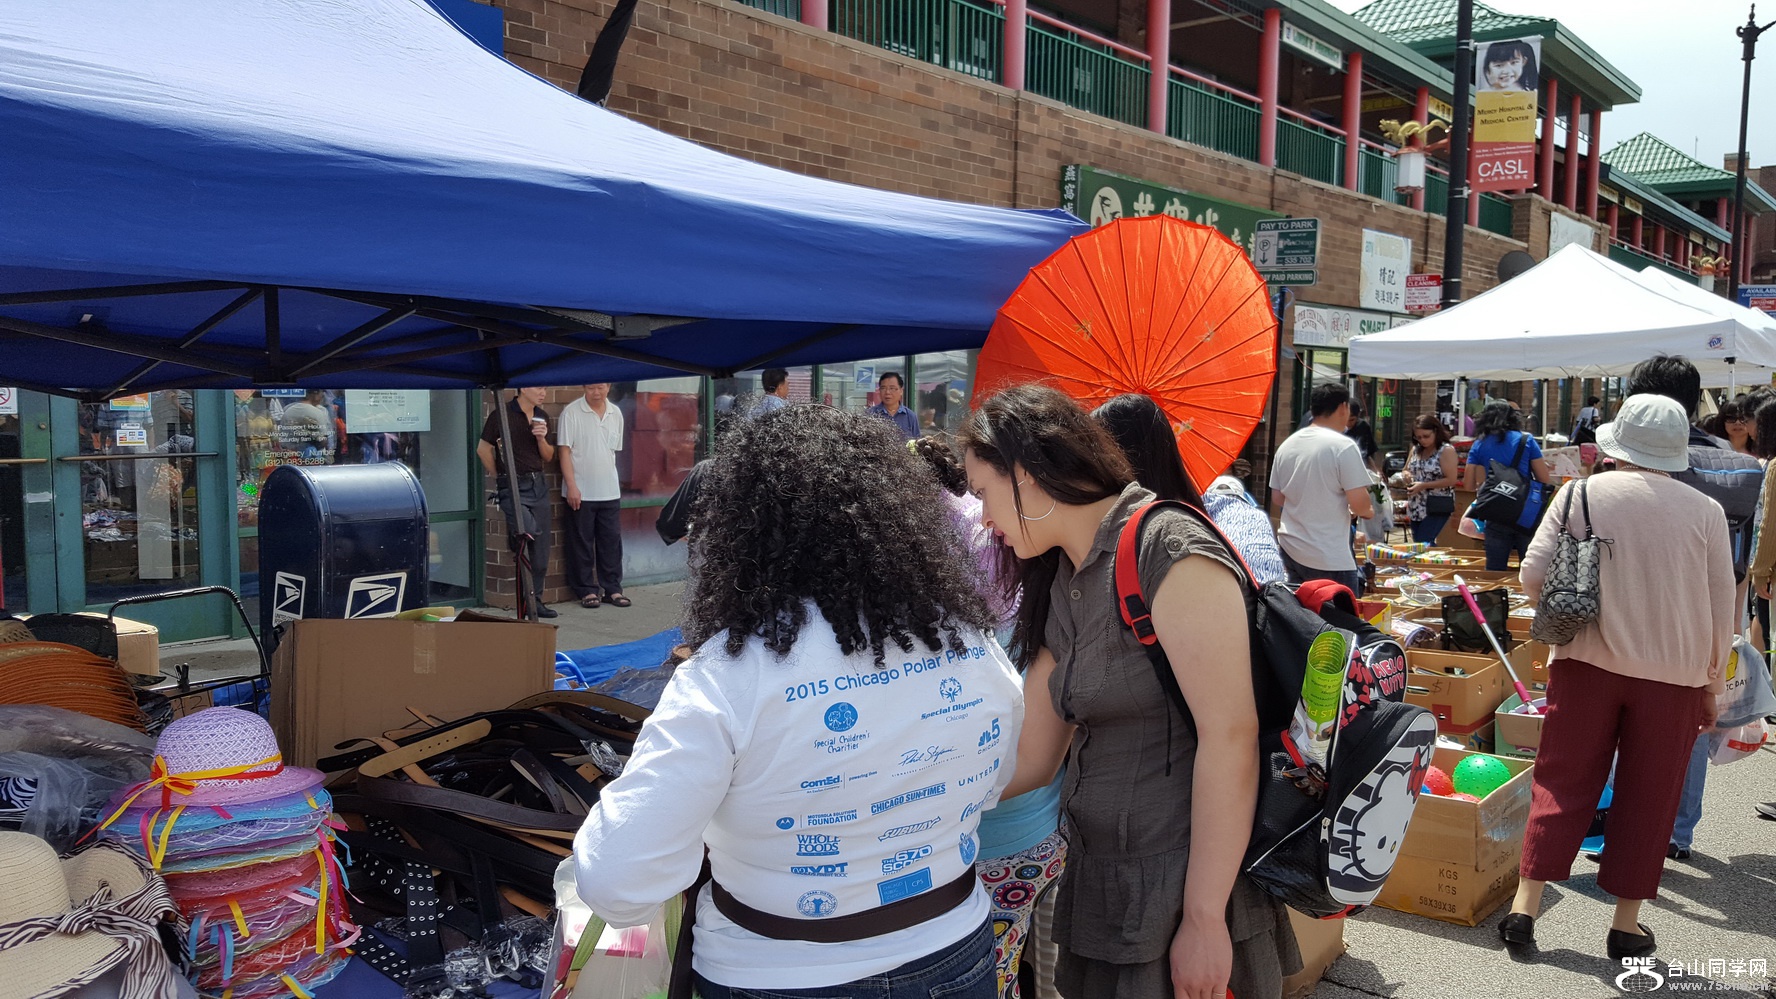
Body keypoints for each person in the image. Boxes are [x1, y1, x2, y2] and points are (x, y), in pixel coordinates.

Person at [573, 405, 1022, 999]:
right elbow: (990, 784)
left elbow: (616, 880)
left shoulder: (725, 676)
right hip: (956, 953)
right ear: (901, 515)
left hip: (772, 971)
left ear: (741, 530)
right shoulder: (971, 642)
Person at [959, 384, 1299, 999]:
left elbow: (1231, 737)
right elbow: (1032, 757)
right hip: (1101, 883)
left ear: (1026, 474)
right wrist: (909, 804)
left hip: (1186, 886)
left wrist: (1203, 920)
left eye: (982, 492)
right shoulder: (1065, 573)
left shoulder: (1166, 546)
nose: (982, 518)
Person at [1500, 394, 1732, 963]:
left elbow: (1533, 575)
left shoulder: (1580, 494)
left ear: (1618, 444)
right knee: (1650, 794)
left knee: (1562, 777)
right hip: (1674, 675)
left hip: (1585, 660)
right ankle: (1625, 926)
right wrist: (1712, 686)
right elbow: (1720, 606)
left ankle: (1524, 909)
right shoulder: (1706, 511)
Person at [909, 434, 1062, 999]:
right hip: (1001, 842)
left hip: (998, 846)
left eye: (983, 494)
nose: (984, 517)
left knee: (992, 978)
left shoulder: (1029, 616)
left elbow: (1037, 761)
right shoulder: (1031, 601)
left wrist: (920, 799)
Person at [1269, 382, 1374, 594]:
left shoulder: (1288, 444)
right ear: (1343, 407)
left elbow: (1278, 498)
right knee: (1340, 615)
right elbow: (1360, 505)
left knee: (1300, 613)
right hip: (1329, 554)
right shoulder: (1343, 446)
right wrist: (1368, 511)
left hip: (1291, 547)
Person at [476, 386, 558, 618]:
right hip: (512, 485)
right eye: (538, 388)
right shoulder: (501, 414)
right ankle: (517, 538)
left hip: (538, 484)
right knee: (528, 531)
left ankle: (535, 600)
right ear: (523, 389)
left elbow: (548, 456)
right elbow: (483, 449)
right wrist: (499, 475)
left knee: (540, 550)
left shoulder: (542, 416)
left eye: (545, 388)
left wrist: (541, 438)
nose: (543, 392)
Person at [558, 383, 629, 609]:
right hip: (581, 491)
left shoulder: (616, 413)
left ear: (608, 387)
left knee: (611, 543)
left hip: (609, 490)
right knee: (581, 544)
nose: (595, 393)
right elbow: (564, 451)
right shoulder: (571, 412)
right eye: (591, 388)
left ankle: (613, 589)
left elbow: (612, 450)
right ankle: (586, 590)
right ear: (584, 388)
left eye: (600, 388)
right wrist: (571, 485)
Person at [1462, 402, 1554, 571]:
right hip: (1525, 512)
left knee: (1495, 569)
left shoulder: (1479, 444)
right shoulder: (1526, 440)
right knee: (1531, 568)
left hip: (1495, 511)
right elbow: (1544, 479)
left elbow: (1468, 484)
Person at [1404, 415, 1460, 545]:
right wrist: (1406, 475)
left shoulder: (1445, 450)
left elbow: (1451, 479)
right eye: (1418, 437)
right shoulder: (1416, 449)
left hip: (1437, 503)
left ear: (1436, 432)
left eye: (1426, 436)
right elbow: (1406, 469)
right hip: (1416, 504)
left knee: (1424, 541)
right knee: (1419, 543)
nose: (1422, 440)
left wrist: (1423, 485)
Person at [868, 371, 920, 440]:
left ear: (901, 391)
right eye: (883, 388)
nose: (887, 392)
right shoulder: (870, 415)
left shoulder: (910, 416)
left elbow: (917, 442)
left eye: (892, 388)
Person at [1345, 398, 1380, 473]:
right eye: (1346, 420)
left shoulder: (1362, 426)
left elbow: (1367, 454)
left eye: (1352, 420)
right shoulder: (1336, 427)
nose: (1348, 423)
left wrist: (1375, 471)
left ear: (1358, 416)